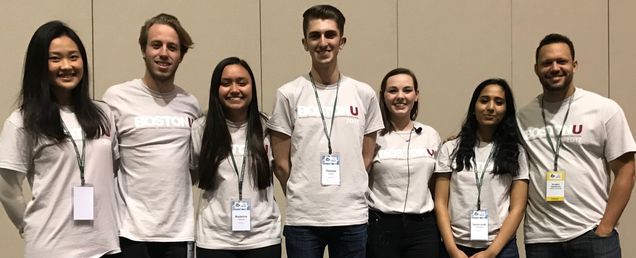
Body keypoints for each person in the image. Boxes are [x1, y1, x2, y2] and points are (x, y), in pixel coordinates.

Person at [267, 4, 384, 258]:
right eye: (315, 35)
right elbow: (281, 163)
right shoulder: (288, 94)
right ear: (304, 42)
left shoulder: (364, 94)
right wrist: (305, 194)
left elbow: (366, 158)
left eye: (330, 34)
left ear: (342, 41)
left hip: (351, 216)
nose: (323, 42)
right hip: (304, 219)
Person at [0, 21, 120, 257]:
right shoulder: (23, 121)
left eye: (73, 57)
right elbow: (7, 190)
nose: (67, 66)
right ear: (39, 66)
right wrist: (29, 228)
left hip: (105, 247)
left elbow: (112, 171)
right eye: (55, 58)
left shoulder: (104, 114)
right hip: (52, 248)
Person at [517, 33, 636, 257]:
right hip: (541, 239)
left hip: (592, 234)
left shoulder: (604, 109)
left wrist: (606, 227)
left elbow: (627, 171)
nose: (554, 68)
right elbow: (492, 140)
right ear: (536, 69)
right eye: (547, 63)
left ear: (574, 65)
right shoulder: (523, 116)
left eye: (561, 61)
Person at [102, 13, 201, 258]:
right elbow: (106, 165)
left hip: (178, 233)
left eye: (172, 47)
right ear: (144, 50)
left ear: (181, 55)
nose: (164, 53)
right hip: (129, 231)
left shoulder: (190, 104)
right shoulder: (116, 98)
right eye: (156, 45)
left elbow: (194, 168)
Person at [190, 57, 281, 258]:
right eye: (226, 83)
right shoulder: (201, 129)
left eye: (242, 82)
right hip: (215, 240)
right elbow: (193, 173)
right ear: (216, 89)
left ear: (252, 88)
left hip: (263, 237)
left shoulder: (268, 127)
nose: (234, 89)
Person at [435, 78, 529, 258]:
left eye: (499, 102)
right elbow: (440, 202)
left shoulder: (516, 152)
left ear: (506, 109)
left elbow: (518, 207)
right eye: (484, 100)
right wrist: (452, 249)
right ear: (474, 106)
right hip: (456, 247)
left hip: (501, 248)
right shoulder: (450, 148)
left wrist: (491, 252)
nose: (491, 107)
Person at [366, 68, 441, 258]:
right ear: (383, 96)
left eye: (407, 90)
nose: (400, 96)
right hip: (381, 226)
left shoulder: (430, 135)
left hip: (423, 228)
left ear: (416, 95)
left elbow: (435, 183)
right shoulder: (371, 136)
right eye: (393, 91)